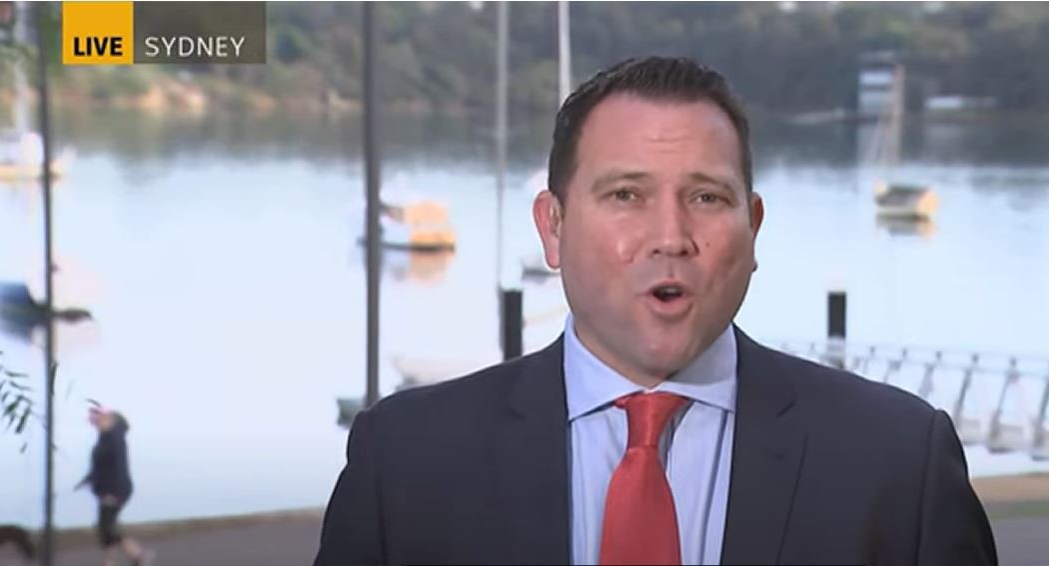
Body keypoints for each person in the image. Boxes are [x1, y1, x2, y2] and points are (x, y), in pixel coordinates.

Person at [315, 56, 997, 565]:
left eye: (706, 197)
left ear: (752, 228)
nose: (670, 235)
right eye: (626, 196)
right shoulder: (405, 464)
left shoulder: (898, 465)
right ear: (552, 227)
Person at [77, 406, 155, 566]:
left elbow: (119, 467)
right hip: (106, 489)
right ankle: (120, 560)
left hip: (115, 489)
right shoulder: (103, 439)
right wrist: (87, 480)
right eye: (93, 422)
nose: (95, 425)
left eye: (97, 421)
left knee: (107, 527)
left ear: (108, 419)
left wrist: (113, 493)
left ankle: (138, 555)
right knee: (106, 528)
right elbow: (98, 467)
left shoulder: (115, 438)